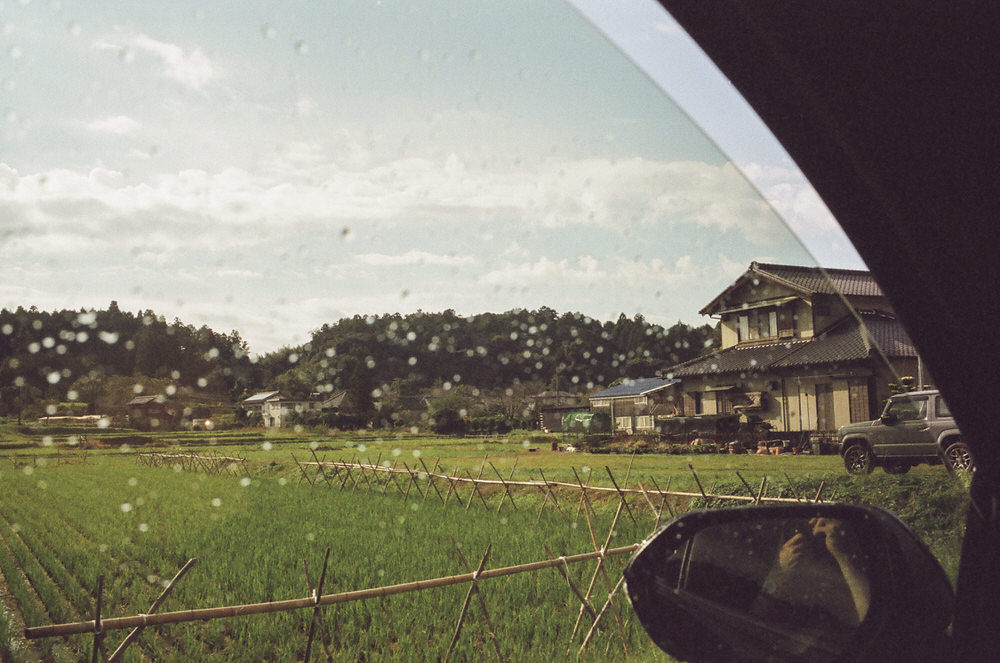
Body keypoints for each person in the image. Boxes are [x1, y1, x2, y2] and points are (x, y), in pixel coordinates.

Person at [753, 517, 871, 628]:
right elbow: (757, 618)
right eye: (794, 529)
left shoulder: (838, 572)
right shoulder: (771, 569)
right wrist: (780, 572)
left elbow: (868, 621)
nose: (801, 535)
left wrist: (842, 555)